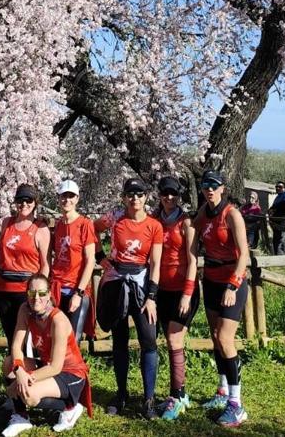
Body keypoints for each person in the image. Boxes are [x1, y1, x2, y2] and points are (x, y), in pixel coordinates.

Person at [94, 178, 164, 419]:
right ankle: (121, 393)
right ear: (124, 197)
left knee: (149, 339)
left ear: (146, 197)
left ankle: (148, 399)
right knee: (119, 339)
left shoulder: (154, 225)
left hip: (142, 283)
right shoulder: (114, 217)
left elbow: (155, 263)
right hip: (116, 280)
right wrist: (100, 257)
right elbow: (92, 229)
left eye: (139, 193)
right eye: (130, 194)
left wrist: (152, 296)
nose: (135, 198)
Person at [194, 170, 251, 427]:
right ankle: (222, 391)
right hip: (212, 280)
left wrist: (233, 285)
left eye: (214, 186)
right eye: (206, 185)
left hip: (232, 281)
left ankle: (236, 404)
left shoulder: (233, 215)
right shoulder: (202, 214)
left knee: (226, 339)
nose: (210, 190)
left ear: (223, 189)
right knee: (215, 337)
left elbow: (244, 256)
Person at [1, 274, 90, 437]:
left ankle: (70, 407)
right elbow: (16, 346)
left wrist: (25, 378)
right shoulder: (24, 309)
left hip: (70, 373)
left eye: (42, 293)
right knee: (8, 363)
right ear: (27, 293)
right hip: (47, 365)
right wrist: (19, 370)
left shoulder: (58, 320)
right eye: (32, 293)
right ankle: (21, 417)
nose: (36, 298)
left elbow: (56, 367)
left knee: (30, 394)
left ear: (49, 294)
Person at [153, 175, 198, 421]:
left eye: (173, 194)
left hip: (183, 290)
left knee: (173, 339)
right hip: (162, 290)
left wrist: (187, 294)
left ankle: (177, 395)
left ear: (179, 196)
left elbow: (193, 260)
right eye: (164, 193)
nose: (169, 198)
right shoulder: (155, 220)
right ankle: (180, 393)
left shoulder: (186, 222)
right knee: (171, 341)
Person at [0, 184, 51, 344]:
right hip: (3, 289)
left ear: (35, 202)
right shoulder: (6, 223)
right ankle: (14, 367)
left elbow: (45, 264)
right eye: (20, 200)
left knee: (27, 338)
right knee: (11, 336)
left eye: (28, 200)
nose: (24, 204)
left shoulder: (40, 228)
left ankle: (30, 368)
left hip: (25, 290)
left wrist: (40, 292)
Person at [49, 179, 97, 337]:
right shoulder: (58, 225)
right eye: (63, 196)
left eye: (71, 196)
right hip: (57, 287)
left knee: (72, 339)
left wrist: (79, 293)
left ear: (77, 199)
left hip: (75, 289)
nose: (67, 200)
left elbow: (90, 260)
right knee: (54, 337)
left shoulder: (85, 224)